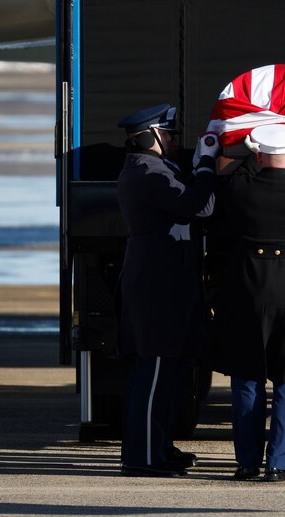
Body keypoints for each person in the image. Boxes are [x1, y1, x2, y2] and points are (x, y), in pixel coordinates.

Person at [215, 124, 285, 482]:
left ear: (259, 155)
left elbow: (234, 176)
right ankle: (279, 463)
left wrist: (250, 151)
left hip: (248, 288)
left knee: (247, 379)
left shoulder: (239, 188)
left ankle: (246, 463)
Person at [115, 103, 218, 477]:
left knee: (172, 372)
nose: (175, 140)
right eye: (169, 133)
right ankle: (141, 457)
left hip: (171, 284)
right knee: (155, 371)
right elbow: (200, 206)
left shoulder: (161, 169)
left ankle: (159, 446)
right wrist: (207, 165)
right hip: (156, 287)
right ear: (151, 136)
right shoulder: (147, 172)